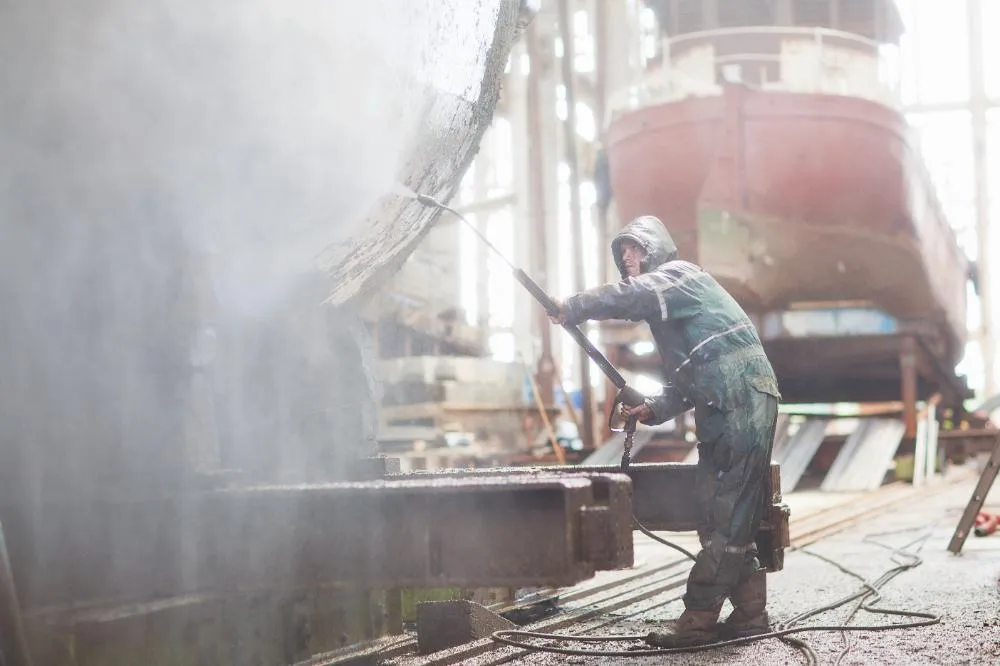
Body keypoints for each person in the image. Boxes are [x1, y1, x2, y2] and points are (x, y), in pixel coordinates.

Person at [549, 215, 780, 648]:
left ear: (657, 249)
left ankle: (698, 619)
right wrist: (655, 406)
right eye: (622, 254)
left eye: (635, 249)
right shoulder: (673, 313)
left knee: (726, 515)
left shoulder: (680, 276)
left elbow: (632, 297)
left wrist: (574, 306)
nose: (628, 259)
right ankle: (750, 612)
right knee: (716, 513)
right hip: (723, 404)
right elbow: (690, 378)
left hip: (740, 399)